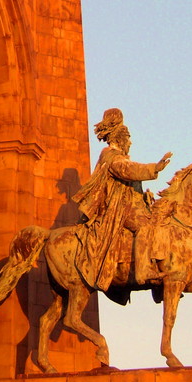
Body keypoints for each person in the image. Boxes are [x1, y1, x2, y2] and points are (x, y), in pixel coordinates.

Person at [74, 108, 171, 289]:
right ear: (120, 138)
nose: (130, 142)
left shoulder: (118, 156)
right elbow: (127, 170)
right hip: (117, 207)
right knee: (145, 226)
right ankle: (143, 271)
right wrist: (154, 168)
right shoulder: (111, 156)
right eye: (128, 138)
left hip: (129, 204)